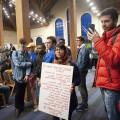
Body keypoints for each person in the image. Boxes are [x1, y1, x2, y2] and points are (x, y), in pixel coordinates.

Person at [87, 7, 120, 120]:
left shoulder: (118, 37)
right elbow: (103, 57)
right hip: (105, 82)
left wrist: (97, 41)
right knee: (109, 112)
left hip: (113, 84)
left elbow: (114, 60)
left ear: (115, 21)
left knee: (113, 115)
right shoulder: (105, 37)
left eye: (107, 21)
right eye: (101, 21)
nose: (103, 24)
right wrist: (97, 41)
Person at [53, 44, 80, 120]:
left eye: (60, 49)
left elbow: (78, 79)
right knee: (55, 116)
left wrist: (73, 84)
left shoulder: (72, 65)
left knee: (67, 116)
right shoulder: (52, 65)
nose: (58, 51)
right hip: (54, 97)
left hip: (67, 96)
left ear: (65, 51)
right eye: (56, 50)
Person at [12, 38, 31, 117]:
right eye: (21, 43)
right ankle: (17, 108)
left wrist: (27, 74)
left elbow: (28, 67)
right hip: (18, 76)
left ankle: (21, 106)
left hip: (25, 77)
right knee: (18, 93)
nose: (23, 45)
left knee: (23, 91)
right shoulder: (14, 53)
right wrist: (28, 63)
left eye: (24, 43)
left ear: (26, 44)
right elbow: (18, 64)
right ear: (19, 44)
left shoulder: (27, 53)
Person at [76, 36, 90, 111]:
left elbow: (83, 62)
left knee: (81, 87)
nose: (77, 42)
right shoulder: (81, 48)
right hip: (81, 70)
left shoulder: (84, 49)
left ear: (82, 41)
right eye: (76, 40)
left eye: (78, 40)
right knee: (81, 87)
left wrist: (78, 72)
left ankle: (85, 105)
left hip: (81, 71)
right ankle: (84, 102)